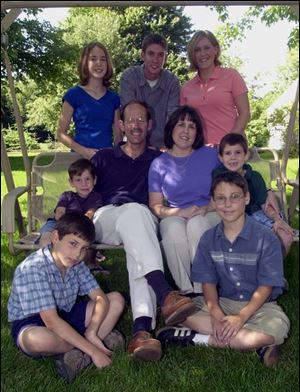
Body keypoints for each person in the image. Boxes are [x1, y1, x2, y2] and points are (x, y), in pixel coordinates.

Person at [90, 100, 197, 362]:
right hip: (107, 218)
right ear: (121, 124)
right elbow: (82, 193)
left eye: (141, 120)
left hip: (142, 223)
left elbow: (185, 179)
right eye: (130, 120)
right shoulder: (103, 157)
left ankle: (142, 332)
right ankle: (164, 294)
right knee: (135, 213)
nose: (136, 125)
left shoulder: (158, 159)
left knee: (138, 232)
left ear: (149, 125)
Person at [156, 172, 290, 368]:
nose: (227, 204)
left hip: (260, 306)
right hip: (222, 301)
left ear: (247, 198)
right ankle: (252, 344)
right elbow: (208, 282)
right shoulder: (208, 239)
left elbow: (266, 286)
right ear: (213, 202)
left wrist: (241, 317)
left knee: (277, 329)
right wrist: (216, 313)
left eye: (234, 197)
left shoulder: (266, 238)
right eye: (221, 198)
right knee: (180, 311)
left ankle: (195, 337)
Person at [7, 212, 125, 382]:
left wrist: (92, 329)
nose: (77, 254)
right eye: (73, 243)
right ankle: (92, 347)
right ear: (55, 237)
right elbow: (51, 322)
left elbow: (100, 298)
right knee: (37, 340)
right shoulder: (33, 268)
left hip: (66, 313)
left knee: (116, 300)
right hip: (33, 322)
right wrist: (94, 352)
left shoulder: (74, 262)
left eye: (84, 248)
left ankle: (80, 350)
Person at [148, 105, 221, 295]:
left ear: (197, 132)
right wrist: (180, 212)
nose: (186, 131)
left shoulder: (211, 155)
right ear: (171, 128)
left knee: (196, 225)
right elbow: (155, 205)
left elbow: (231, 182)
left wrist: (207, 207)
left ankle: (203, 289)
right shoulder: (159, 164)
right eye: (181, 125)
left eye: (192, 126)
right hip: (176, 213)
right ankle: (185, 289)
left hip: (211, 211)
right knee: (172, 230)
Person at [213, 133, 294, 256]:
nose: (233, 157)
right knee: (253, 240)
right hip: (234, 217)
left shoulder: (255, 176)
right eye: (228, 153)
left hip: (258, 216)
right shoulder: (219, 176)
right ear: (220, 157)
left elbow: (264, 204)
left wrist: (276, 218)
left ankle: (273, 271)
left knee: (285, 236)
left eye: (238, 153)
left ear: (246, 155)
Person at [180, 30, 250, 146]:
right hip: (199, 152)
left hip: (230, 152)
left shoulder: (232, 76)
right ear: (192, 55)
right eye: (197, 50)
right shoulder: (186, 88)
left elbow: (245, 113)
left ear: (215, 50)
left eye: (207, 48)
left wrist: (228, 143)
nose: (202, 53)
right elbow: (183, 123)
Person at [57, 42, 122, 160]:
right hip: (80, 163)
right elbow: (61, 134)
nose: (99, 63)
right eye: (93, 59)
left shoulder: (114, 98)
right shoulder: (73, 95)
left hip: (106, 161)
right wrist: (84, 151)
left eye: (103, 59)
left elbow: (118, 135)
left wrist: (114, 157)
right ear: (85, 64)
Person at [120, 33, 180, 149]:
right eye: (151, 54)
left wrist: (165, 148)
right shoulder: (129, 77)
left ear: (165, 58)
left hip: (163, 148)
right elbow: (131, 116)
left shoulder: (172, 81)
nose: (155, 60)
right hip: (133, 145)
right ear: (142, 55)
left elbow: (172, 118)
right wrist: (144, 149)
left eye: (160, 55)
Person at [39, 158, 103, 248]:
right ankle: (42, 259)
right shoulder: (67, 196)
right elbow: (59, 214)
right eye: (78, 180)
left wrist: (73, 230)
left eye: (88, 179)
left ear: (94, 180)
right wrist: (67, 228)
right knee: (47, 239)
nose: (84, 184)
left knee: (81, 238)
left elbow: (89, 215)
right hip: (57, 223)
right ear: (71, 182)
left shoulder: (96, 198)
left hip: (81, 227)